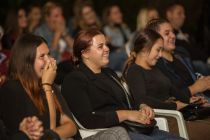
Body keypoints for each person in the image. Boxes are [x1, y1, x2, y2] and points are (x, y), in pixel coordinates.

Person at [0, 33, 132, 140]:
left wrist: (57, 134)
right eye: (42, 56)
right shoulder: (12, 89)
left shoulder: (52, 87)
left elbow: (71, 126)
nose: (50, 61)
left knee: (117, 133)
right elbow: (46, 133)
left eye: (49, 54)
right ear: (27, 62)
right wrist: (47, 86)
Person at [61, 28, 184, 140]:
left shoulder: (109, 73)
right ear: (85, 53)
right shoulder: (74, 80)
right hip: (115, 133)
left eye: (106, 45)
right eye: (100, 46)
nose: (107, 49)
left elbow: (127, 101)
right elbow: (89, 120)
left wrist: (142, 107)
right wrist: (126, 114)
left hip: (136, 127)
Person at [146, 18, 210, 140]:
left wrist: (204, 83)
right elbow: (168, 97)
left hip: (202, 104)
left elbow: (194, 80)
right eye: (167, 33)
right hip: (186, 115)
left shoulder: (181, 57)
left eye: (173, 32)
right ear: (155, 39)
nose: (173, 35)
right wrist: (195, 89)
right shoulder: (156, 66)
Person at [123, 29, 203, 111]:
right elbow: (142, 100)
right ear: (144, 50)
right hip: (161, 118)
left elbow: (171, 88)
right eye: (158, 50)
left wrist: (189, 100)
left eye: (161, 50)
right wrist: (175, 105)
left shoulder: (154, 68)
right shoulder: (135, 71)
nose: (160, 55)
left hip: (172, 112)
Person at [166, 2, 210, 75]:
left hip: (199, 60)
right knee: (200, 65)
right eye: (179, 13)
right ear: (169, 14)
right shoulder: (168, 34)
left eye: (184, 13)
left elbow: (196, 48)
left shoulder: (186, 32)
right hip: (187, 62)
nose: (183, 16)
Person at [103, 5, 131, 72]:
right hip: (111, 58)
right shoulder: (104, 30)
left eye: (119, 12)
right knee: (127, 55)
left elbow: (130, 42)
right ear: (109, 17)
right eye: (115, 13)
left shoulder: (123, 28)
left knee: (125, 64)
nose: (119, 15)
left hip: (123, 58)